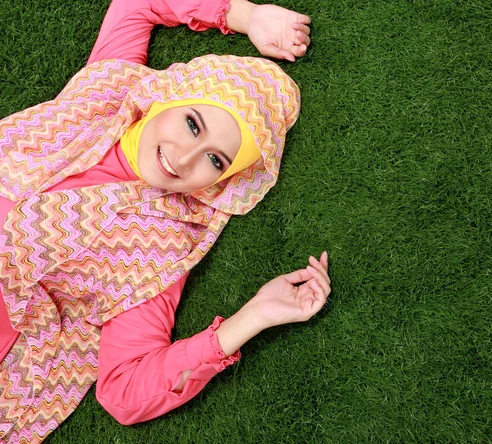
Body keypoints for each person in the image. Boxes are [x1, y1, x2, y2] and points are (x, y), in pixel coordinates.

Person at [0, 0, 330, 441]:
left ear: (224, 180)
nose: (184, 157)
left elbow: (124, 393)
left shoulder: (160, 246)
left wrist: (251, 318)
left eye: (215, 159)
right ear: (170, 99)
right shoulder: (104, 95)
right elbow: (135, 6)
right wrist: (246, 16)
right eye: (193, 124)